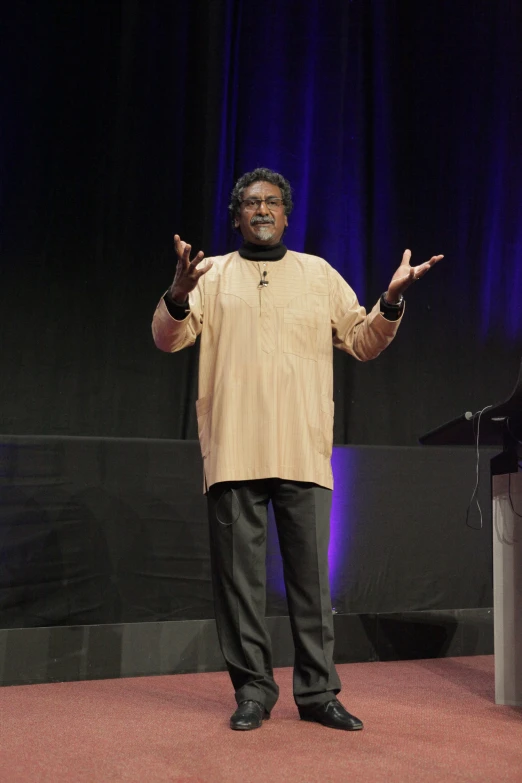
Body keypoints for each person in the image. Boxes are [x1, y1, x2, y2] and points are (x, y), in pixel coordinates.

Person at [152, 167, 442, 732]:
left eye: (273, 202)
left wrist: (389, 300)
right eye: (251, 203)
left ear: (287, 214)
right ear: (236, 216)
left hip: (302, 451)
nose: (262, 211)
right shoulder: (210, 275)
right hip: (234, 449)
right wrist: (178, 293)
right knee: (240, 587)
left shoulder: (318, 274)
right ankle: (253, 692)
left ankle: (318, 693)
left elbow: (361, 340)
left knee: (312, 584)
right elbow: (168, 338)